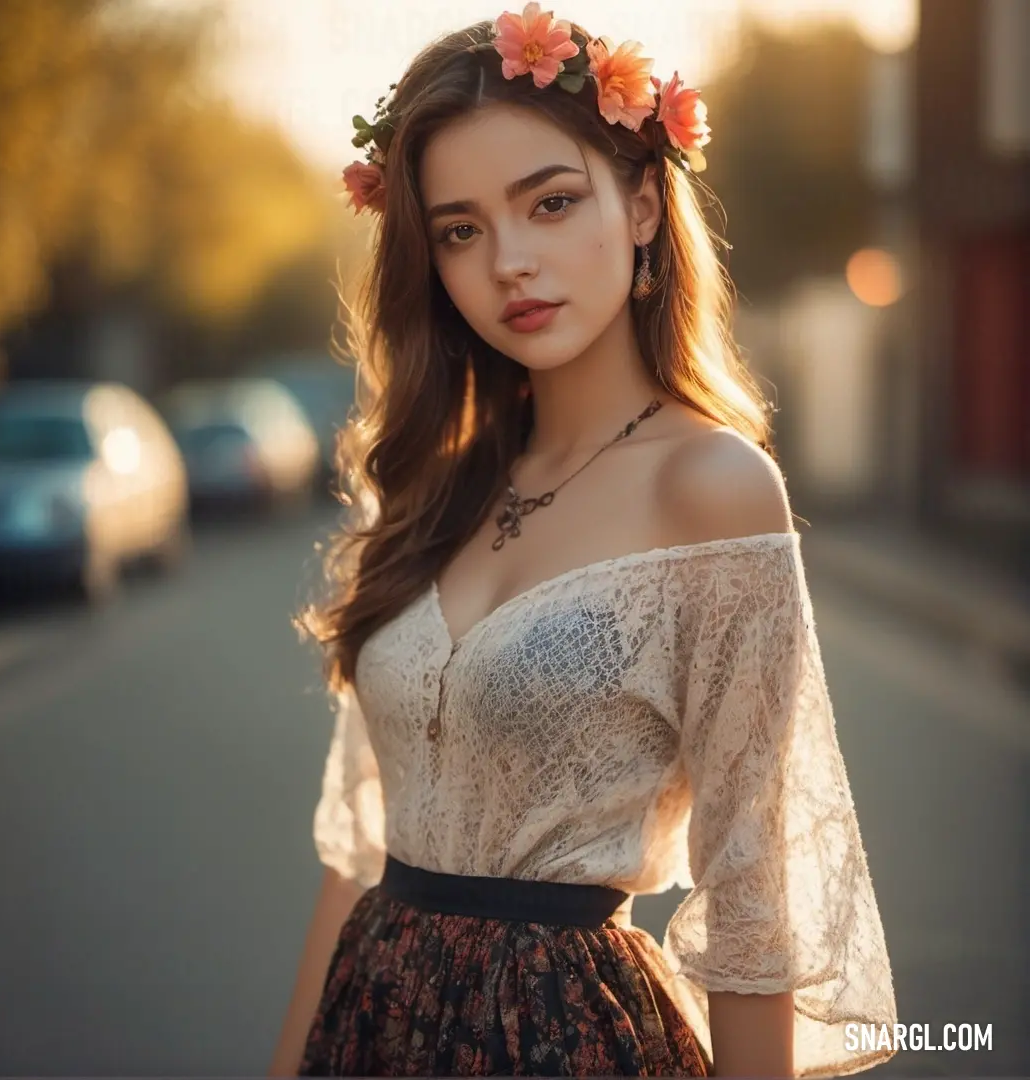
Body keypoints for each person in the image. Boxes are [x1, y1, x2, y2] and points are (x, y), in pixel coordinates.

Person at [269, 4, 898, 1076]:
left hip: (560, 1039)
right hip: (369, 1022)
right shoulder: (435, 479)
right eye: (461, 229)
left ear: (644, 203)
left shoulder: (712, 489)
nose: (509, 261)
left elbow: (752, 893)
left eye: (551, 203)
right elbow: (362, 846)